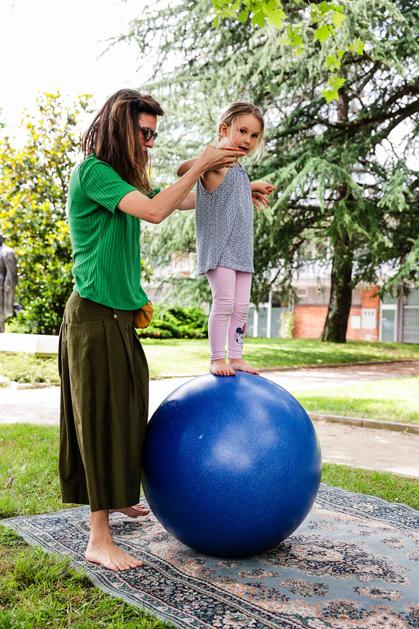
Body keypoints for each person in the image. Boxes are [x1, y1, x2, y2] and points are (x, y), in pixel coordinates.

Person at [59, 89, 243, 571]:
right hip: (93, 315)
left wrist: (234, 187)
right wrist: (202, 164)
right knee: (101, 421)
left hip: (118, 318)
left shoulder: (121, 180)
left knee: (127, 411)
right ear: (120, 127)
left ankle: (118, 497)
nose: (150, 143)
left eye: (154, 135)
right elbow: (157, 210)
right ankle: (98, 538)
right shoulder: (93, 172)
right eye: (144, 133)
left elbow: (176, 201)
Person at [178, 102, 275, 376]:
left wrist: (250, 187)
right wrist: (208, 159)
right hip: (219, 248)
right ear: (224, 128)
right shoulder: (218, 162)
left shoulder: (239, 169)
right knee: (224, 303)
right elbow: (182, 170)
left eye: (254, 136)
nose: (248, 140)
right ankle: (217, 358)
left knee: (241, 307)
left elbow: (228, 191)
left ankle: (236, 357)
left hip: (241, 250)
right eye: (242, 131)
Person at [0, 232, 17, 333]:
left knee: (1, 313)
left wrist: (8, 287)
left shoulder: (7, 252)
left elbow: (11, 273)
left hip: (1, 287)